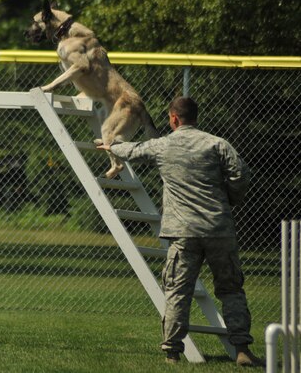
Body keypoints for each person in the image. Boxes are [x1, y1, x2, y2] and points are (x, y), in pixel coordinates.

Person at [96, 96, 262, 366]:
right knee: (231, 290)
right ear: (196, 117)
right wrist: (230, 198)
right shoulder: (217, 144)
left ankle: (172, 352)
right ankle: (242, 349)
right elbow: (241, 174)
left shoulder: (164, 145)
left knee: (177, 290)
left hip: (183, 231)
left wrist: (111, 144)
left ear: (173, 118)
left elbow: (134, 150)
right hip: (219, 228)